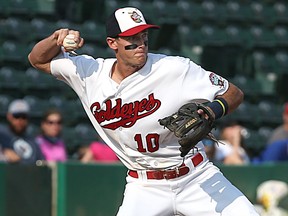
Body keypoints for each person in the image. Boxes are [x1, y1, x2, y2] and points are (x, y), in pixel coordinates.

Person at [28, 7, 259, 215]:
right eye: (132, 38)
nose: (141, 44)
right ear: (112, 43)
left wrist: (211, 111)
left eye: (144, 37)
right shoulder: (89, 72)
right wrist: (56, 38)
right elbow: (37, 59)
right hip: (145, 186)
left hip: (196, 176)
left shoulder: (174, 68)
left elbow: (234, 93)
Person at [0, 99, 44, 164]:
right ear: (9, 116)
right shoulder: (2, 135)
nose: (20, 120)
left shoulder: (33, 142)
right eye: (16, 116)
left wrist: (20, 161)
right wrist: (4, 157)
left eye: (24, 117)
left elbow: (41, 164)